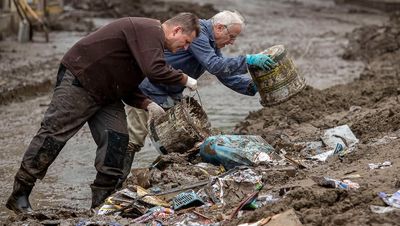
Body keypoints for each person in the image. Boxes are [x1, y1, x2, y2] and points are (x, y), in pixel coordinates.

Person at [6, 13, 200, 214]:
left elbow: (126, 83)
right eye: (186, 42)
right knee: (53, 135)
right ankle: (20, 193)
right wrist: (185, 79)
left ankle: (101, 202)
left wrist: (147, 104)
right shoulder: (151, 31)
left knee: (117, 140)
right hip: (81, 79)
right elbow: (155, 70)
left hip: (107, 93)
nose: (185, 48)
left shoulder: (148, 41)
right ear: (176, 30)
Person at [121, 10, 276, 185]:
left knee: (178, 142)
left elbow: (223, 73)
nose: (232, 42)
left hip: (169, 94)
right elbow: (215, 66)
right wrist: (247, 60)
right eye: (232, 37)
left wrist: (249, 86)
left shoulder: (210, 40)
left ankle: (160, 180)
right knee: (133, 141)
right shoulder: (199, 33)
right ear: (219, 28)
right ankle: (113, 185)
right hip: (147, 91)